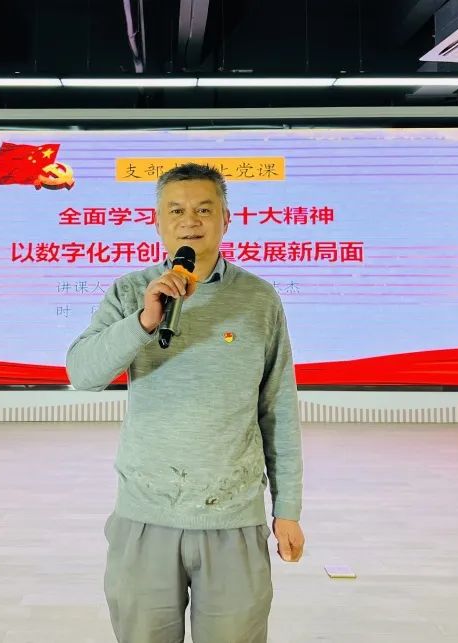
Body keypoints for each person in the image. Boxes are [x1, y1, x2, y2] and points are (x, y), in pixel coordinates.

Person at [66, 163, 304, 643]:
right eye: (175, 210)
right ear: (157, 222)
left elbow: (278, 407)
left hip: (233, 518)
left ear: (226, 220)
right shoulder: (131, 292)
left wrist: (288, 508)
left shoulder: (258, 298)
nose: (190, 221)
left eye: (204, 209)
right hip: (146, 516)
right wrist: (143, 321)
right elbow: (82, 374)